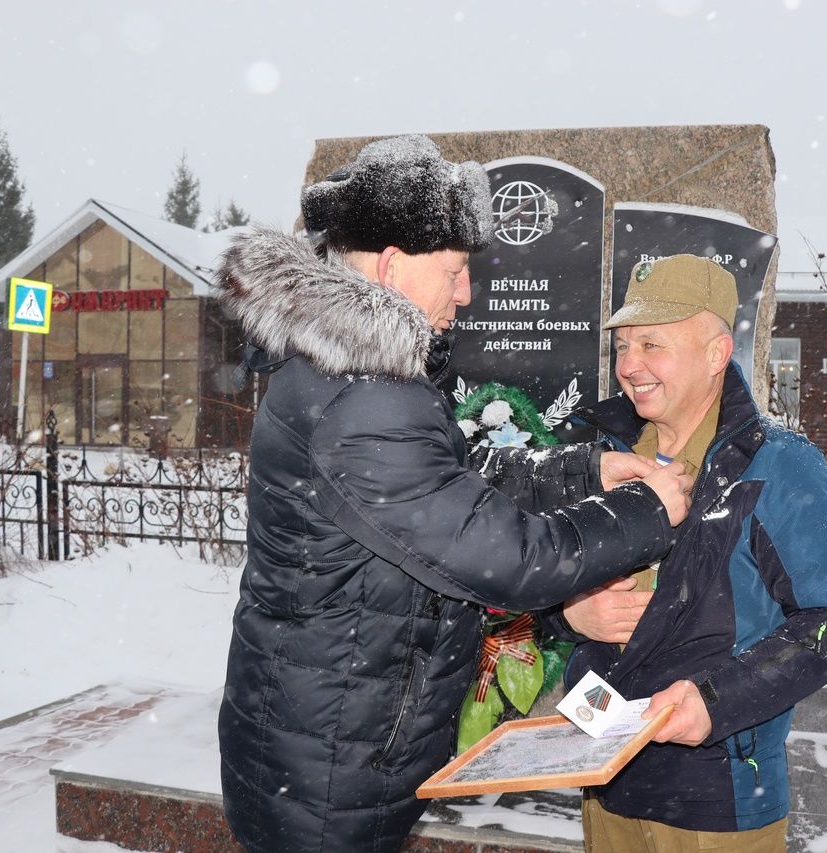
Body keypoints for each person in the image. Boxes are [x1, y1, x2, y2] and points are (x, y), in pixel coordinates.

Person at [213, 135, 693, 853]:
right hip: (330, 775)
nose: (466, 293)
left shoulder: (356, 371)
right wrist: (649, 511)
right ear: (390, 264)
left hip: (324, 743)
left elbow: (453, 485)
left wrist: (584, 473)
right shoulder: (361, 396)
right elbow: (508, 558)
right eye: (457, 270)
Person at [547, 254, 827, 852]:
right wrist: (568, 614)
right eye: (623, 346)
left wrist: (715, 699)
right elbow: (531, 575)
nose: (630, 366)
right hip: (604, 778)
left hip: (716, 800)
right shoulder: (602, 458)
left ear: (716, 353)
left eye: (653, 344)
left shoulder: (779, 465)